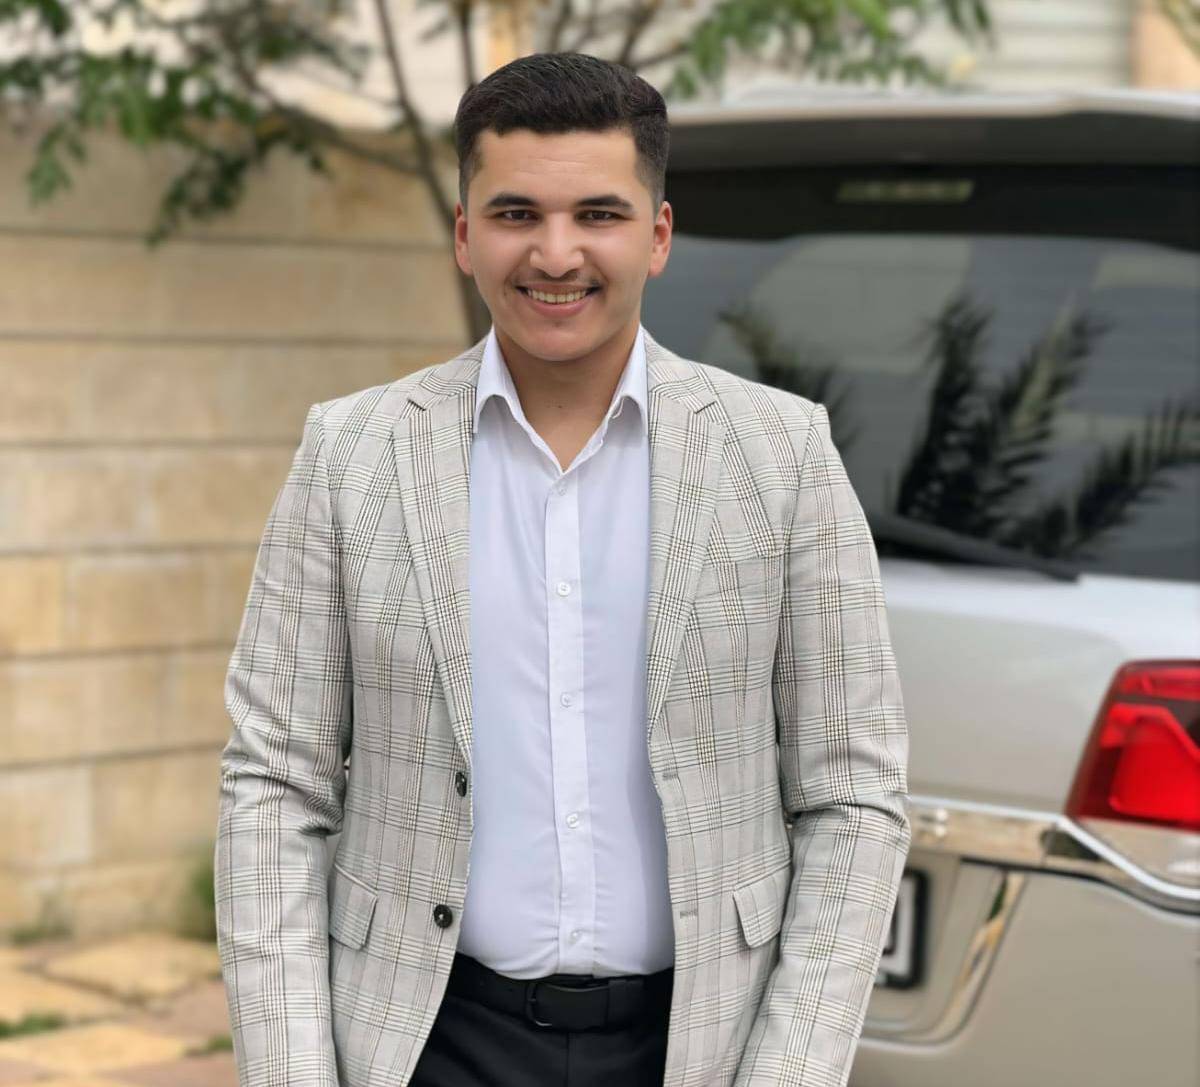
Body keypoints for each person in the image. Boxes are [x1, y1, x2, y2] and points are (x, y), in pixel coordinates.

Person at [214, 51, 911, 1087]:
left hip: (696, 1046)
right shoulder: (351, 452)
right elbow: (274, 783)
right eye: (515, 214)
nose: (555, 253)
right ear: (465, 235)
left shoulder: (783, 453)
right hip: (426, 1042)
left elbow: (853, 796)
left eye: (597, 214)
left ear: (657, 235)